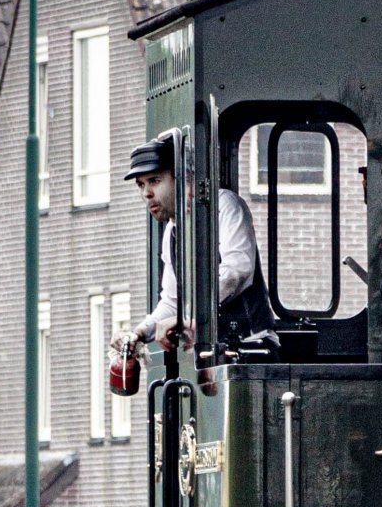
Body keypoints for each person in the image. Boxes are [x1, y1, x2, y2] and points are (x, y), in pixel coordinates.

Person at [118, 136, 275, 357]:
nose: (146, 193)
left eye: (154, 180)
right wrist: (139, 333)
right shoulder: (171, 231)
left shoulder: (224, 205)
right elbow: (172, 301)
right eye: (141, 185)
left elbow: (237, 270)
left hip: (252, 347)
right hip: (210, 352)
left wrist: (186, 317)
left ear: (183, 177)